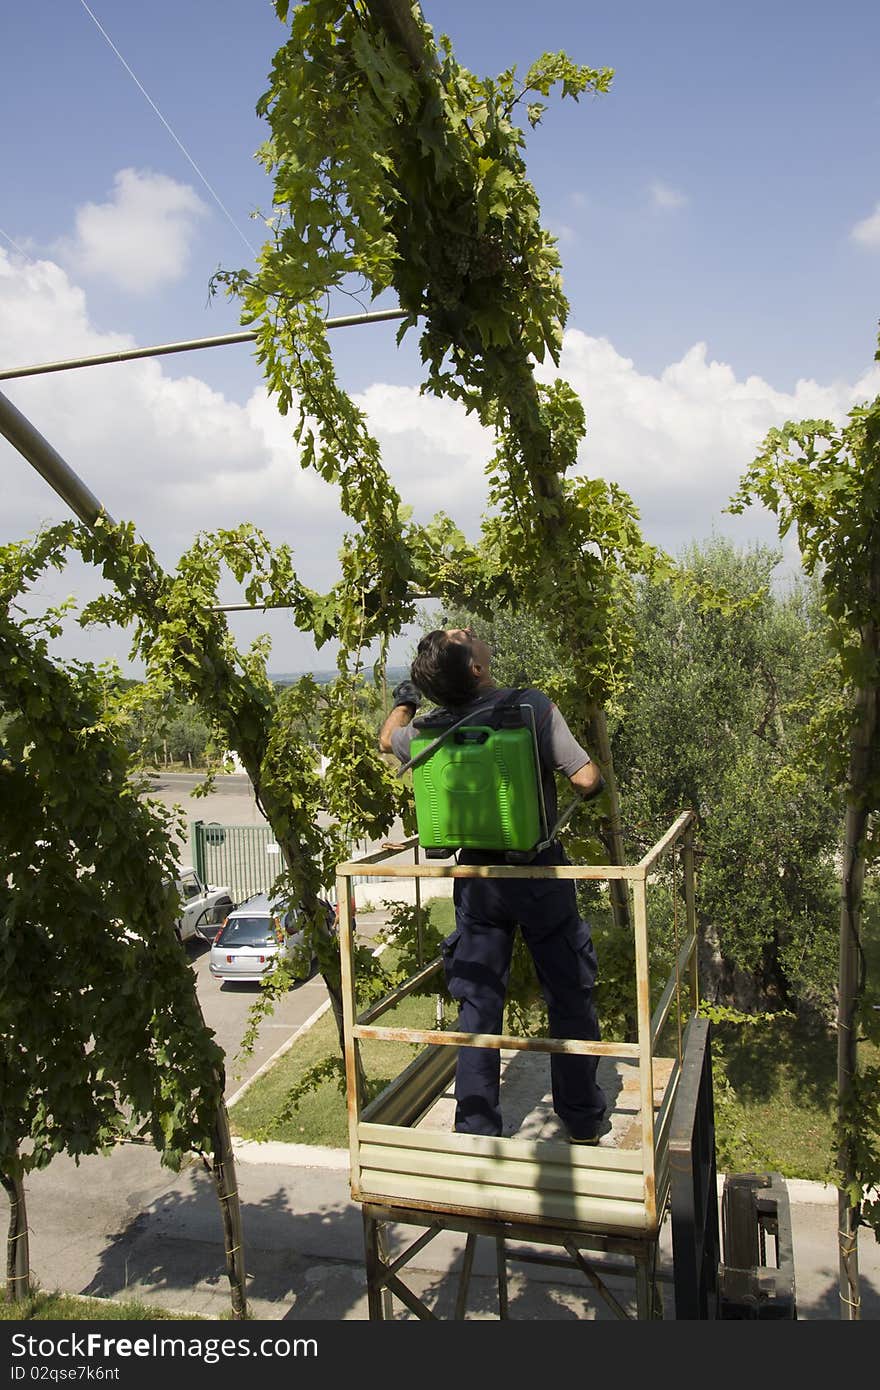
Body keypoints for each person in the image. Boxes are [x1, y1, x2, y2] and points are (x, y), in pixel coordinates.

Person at [378, 627, 608, 1144]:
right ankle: (582, 1119)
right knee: (568, 994)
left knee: (479, 999)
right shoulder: (530, 709)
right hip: (537, 873)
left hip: (478, 880)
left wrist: (406, 699)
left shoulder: (430, 730)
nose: (472, 632)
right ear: (477, 668)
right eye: (466, 636)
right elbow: (585, 779)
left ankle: (477, 1124)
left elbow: (384, 736)